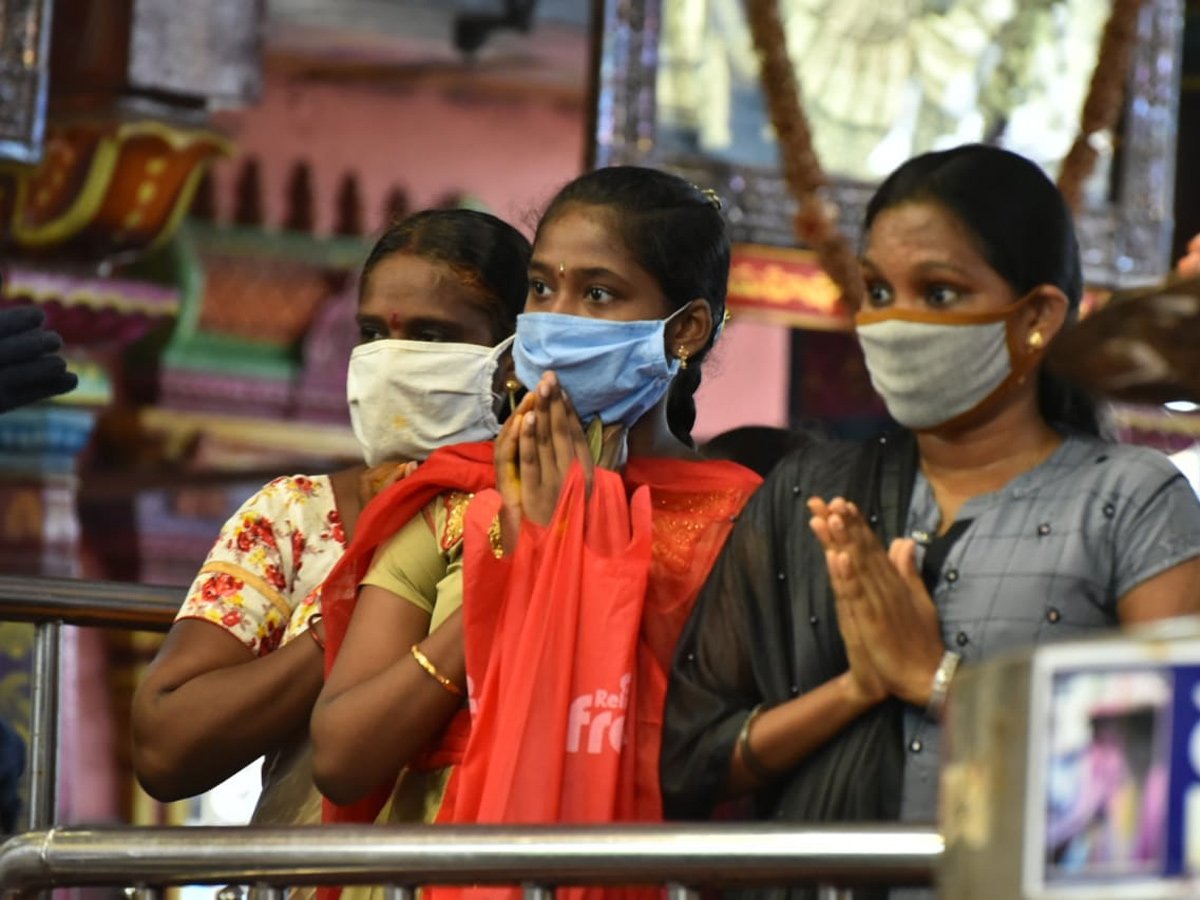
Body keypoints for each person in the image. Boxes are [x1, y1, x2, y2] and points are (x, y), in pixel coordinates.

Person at [660, 145, 1200, 897]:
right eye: (878, 290)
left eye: (939, 293)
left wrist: (938, 680)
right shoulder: (807, 494)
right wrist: (857, 688)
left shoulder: (1133, 500)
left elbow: (1156, 796)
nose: (894, 321)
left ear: (1038, 315)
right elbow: (693, 763)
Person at [309, 167, 762, 865]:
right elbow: (341, 758)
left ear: (687, 330)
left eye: (599, 293)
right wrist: (521, 570)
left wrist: (575, 554)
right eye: (543, 287)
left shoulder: (744, 520)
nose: (557, 319)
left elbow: (712, 759)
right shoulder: (460, 497)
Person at [131, 209, 531, 830]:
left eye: (429, 338)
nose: (390, 360)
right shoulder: (299, 514)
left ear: (513, 355)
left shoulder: (552, 509)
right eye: (373, 333)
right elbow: (166, 748)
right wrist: (346, 613)